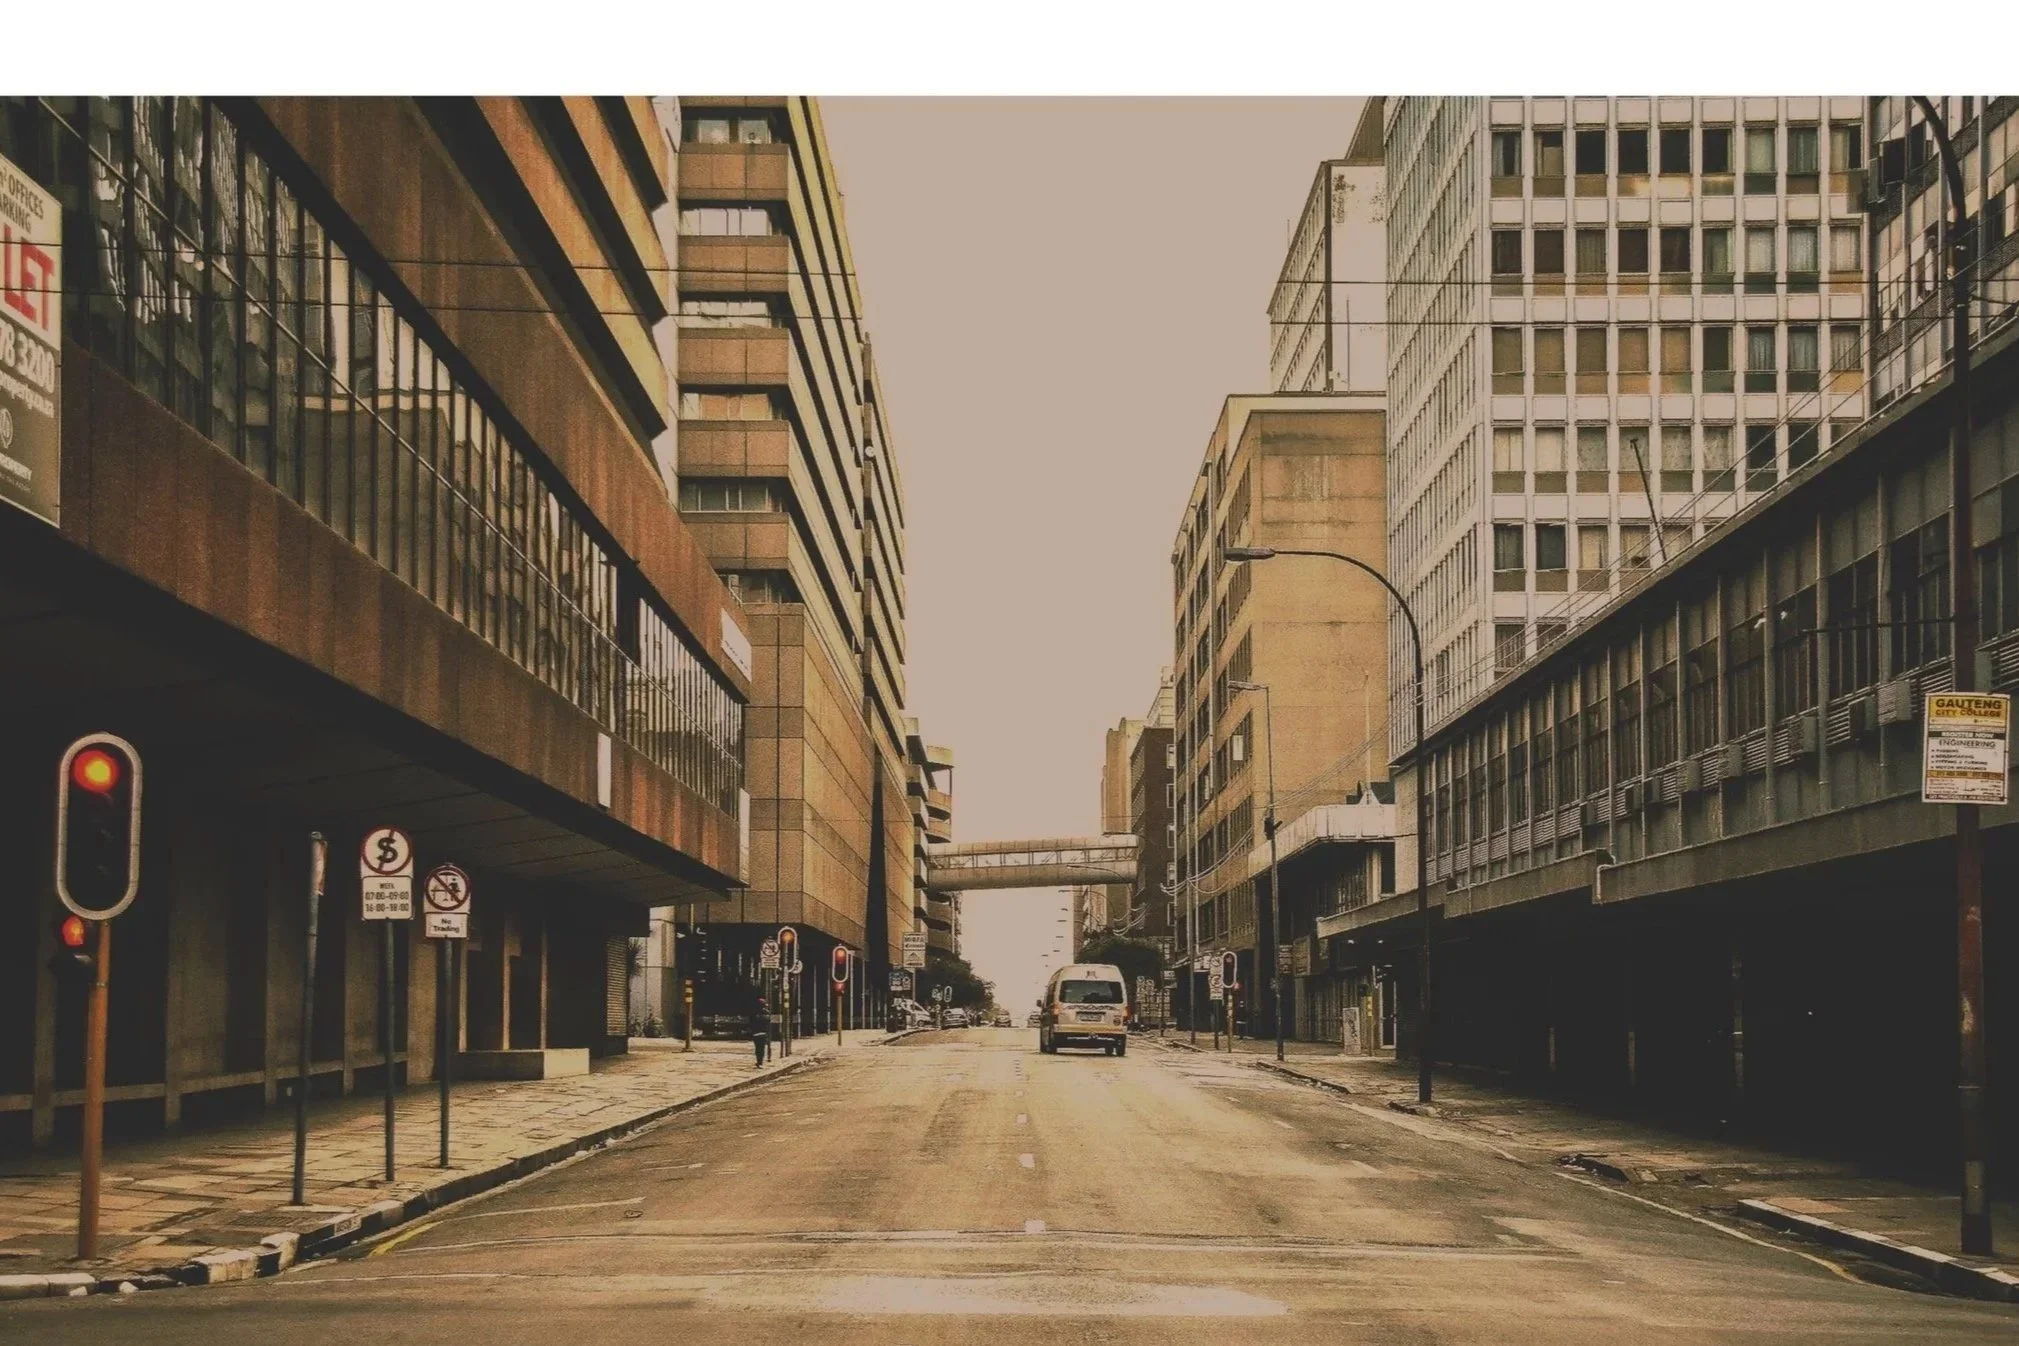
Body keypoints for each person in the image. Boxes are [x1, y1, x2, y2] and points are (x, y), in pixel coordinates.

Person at [750, 996, 771, 1067]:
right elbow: (768, 1022)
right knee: (762, 1048)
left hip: (756, 1033)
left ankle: (758, 1061)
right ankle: (760, 1062)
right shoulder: (767, 1013)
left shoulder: (754, 1012)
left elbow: (751, 1022)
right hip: (763, 1033)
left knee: (757, 1048)